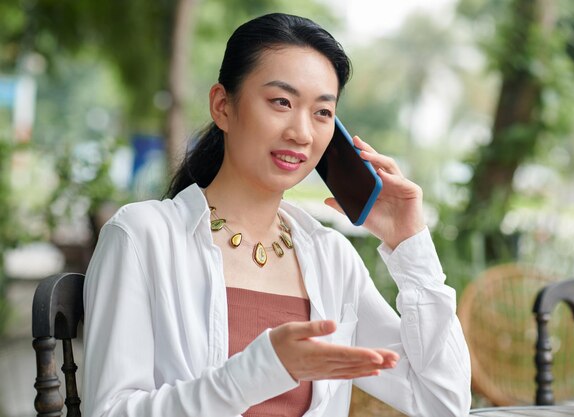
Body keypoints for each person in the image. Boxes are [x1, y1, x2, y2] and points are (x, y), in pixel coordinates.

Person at [82, 12, 471, 417]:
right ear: (222, 106)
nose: (301, 132)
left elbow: (442, 401)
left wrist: (410, 246)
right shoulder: (143, 237)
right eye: (281, 102)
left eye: (322, 112)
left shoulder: (330, 259)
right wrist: (258, 370)